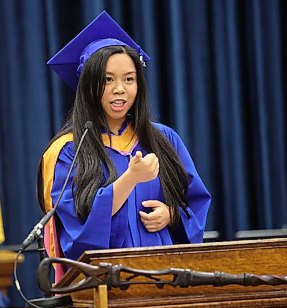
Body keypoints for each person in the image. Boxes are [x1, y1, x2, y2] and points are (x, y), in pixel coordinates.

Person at [38, 11, 211, 281]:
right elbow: (76, 236)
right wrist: (130, 179)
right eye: (108, 79)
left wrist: (172, 215)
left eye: (129, 79)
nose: (120, 88)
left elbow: (195, 205)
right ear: (87, 86)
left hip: (165, 279)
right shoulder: (69, 150)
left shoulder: (163, 139)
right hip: (107, 286)